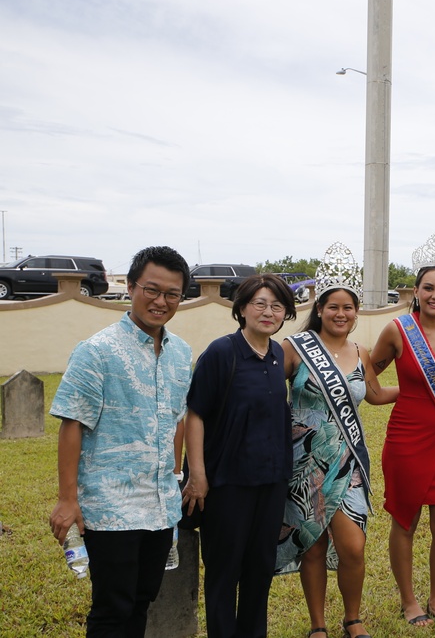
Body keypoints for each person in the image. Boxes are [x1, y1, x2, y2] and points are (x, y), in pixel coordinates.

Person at [49, 246, 192, 638]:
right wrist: (67, 499)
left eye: (172, 294)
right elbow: (72, 425)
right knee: (113, 608)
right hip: (110, 505)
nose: (160, 301)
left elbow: (178, 417)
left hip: (161, 503)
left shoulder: (182, 353)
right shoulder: (97, 351)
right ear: (130, 287)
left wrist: (178, 472)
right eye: (151, 289)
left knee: (143, 599)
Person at [274, 242, 395, 638]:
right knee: (312, 544)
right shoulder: (295, 349)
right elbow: (268, 395)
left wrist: (418, 389)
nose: (341, 314)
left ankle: (353, 618)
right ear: (320, 309)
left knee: (353, 546)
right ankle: (318, 625)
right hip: (304, 462)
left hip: (348, 462)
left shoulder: (361, 352)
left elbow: (374, 395)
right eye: (333, 307)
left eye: (348, 307)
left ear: (356, 312)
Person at [182, 274, 297, 638]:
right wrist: (197, 475)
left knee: (259, 570)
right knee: (223, 572)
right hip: (228, 483)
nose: (268, 312)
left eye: (277, 306)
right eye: (260, 304)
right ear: (242, 308)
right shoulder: (222, 352)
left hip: (271, 481)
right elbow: (195, 414)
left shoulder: (278, 353)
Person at [369, 232, 435, 628]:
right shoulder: (397, 329)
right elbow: (368, 378)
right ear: (416, 289)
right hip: (407, 439)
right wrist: (402, 393)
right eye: (429, 287)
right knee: (405, 520)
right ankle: (410, 602)